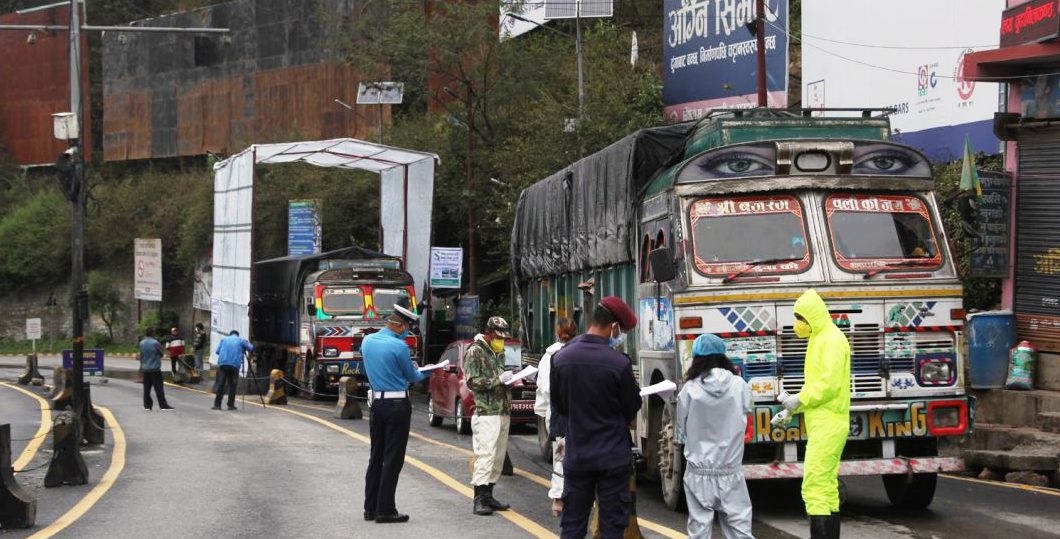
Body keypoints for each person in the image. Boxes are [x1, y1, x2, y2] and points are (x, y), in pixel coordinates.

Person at [551, 296, 641, 539]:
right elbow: (632, 407)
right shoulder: (619, 364)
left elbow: (559, 406)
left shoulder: (561, 359)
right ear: (614, 326)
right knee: (612, 527)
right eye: (621, 331)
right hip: (613, 457)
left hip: (578, 455)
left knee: (572, 526)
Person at [779, 289, 850, 539]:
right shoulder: (820, 337)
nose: (797, 323)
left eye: (800, 318)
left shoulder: (830, 340)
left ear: (813, 316)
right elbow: (818, 385)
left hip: (828, 424)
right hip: (825, 421)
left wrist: (800, 399)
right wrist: (793, 407)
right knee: (827, 488)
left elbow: (828, 386)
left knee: (814, 488)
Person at [676, 334, 754, 539]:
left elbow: (681, 425)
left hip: (698, 471)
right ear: (723, 356)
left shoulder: (690, 389)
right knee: (740, 529)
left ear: (696, 357)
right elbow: (747, 414)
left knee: (699, 529)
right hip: (730, 470)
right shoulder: (739, 385)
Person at [361, 305, 426, 524]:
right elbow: (412, 376)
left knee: (376, 456)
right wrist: (427, 371)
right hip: (397, 405)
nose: (407, 331)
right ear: (399, 325)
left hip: (377, 403)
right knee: (392, 458)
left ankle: (370, 508)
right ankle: (386, 509)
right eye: (407, 327)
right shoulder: (399, 346)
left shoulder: (367, 341)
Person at [465, 316, 515, 516]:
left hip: (502, 410)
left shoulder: (498, 351)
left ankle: (489, 495)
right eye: (498, 336)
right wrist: (498, 380)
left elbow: (501, 376)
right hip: (486, 412)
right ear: (488, 333)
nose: (501, 340)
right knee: (485, 455)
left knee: (498, 457)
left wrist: (509, 380)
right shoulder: (475, 351)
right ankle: (479, 499)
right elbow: (472, 381)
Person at [533, 318, 578, 517]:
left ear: (556, 333)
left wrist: (544, 412)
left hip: (558, 413)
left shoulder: (549, 356)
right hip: (580, 413)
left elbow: (544, 388)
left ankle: (558, 499)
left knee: (560, 456)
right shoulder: (580, 353)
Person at [212, 330, 254, 411]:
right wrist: (246, 343)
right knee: (232, 385)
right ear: (237, 335)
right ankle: (230, 405)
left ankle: (217, 405)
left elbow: (217, 351)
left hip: (223, 364)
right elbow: (251, 348)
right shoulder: (241, 341)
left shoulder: (224, 340)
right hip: (234, 365)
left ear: (230, 334)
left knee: (221, 384)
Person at [138, 328, 173, 411]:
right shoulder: (156, 343)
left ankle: (147, 406)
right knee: (159, 388)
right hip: (155, 369)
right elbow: (161, 354)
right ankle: (163, 405)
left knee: (146, 388)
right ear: (153, 333)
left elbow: (141, 355)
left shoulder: (141, 343)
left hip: (145, 369)